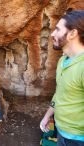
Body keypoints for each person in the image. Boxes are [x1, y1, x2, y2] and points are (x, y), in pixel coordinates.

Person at [40, 10, 84, 146]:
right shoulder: (63, 60)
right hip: (61, 131)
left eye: (58, 29)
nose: (52, 34)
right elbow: (60, 93)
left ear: (72, 34)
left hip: (77, 139)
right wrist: (48, 115)